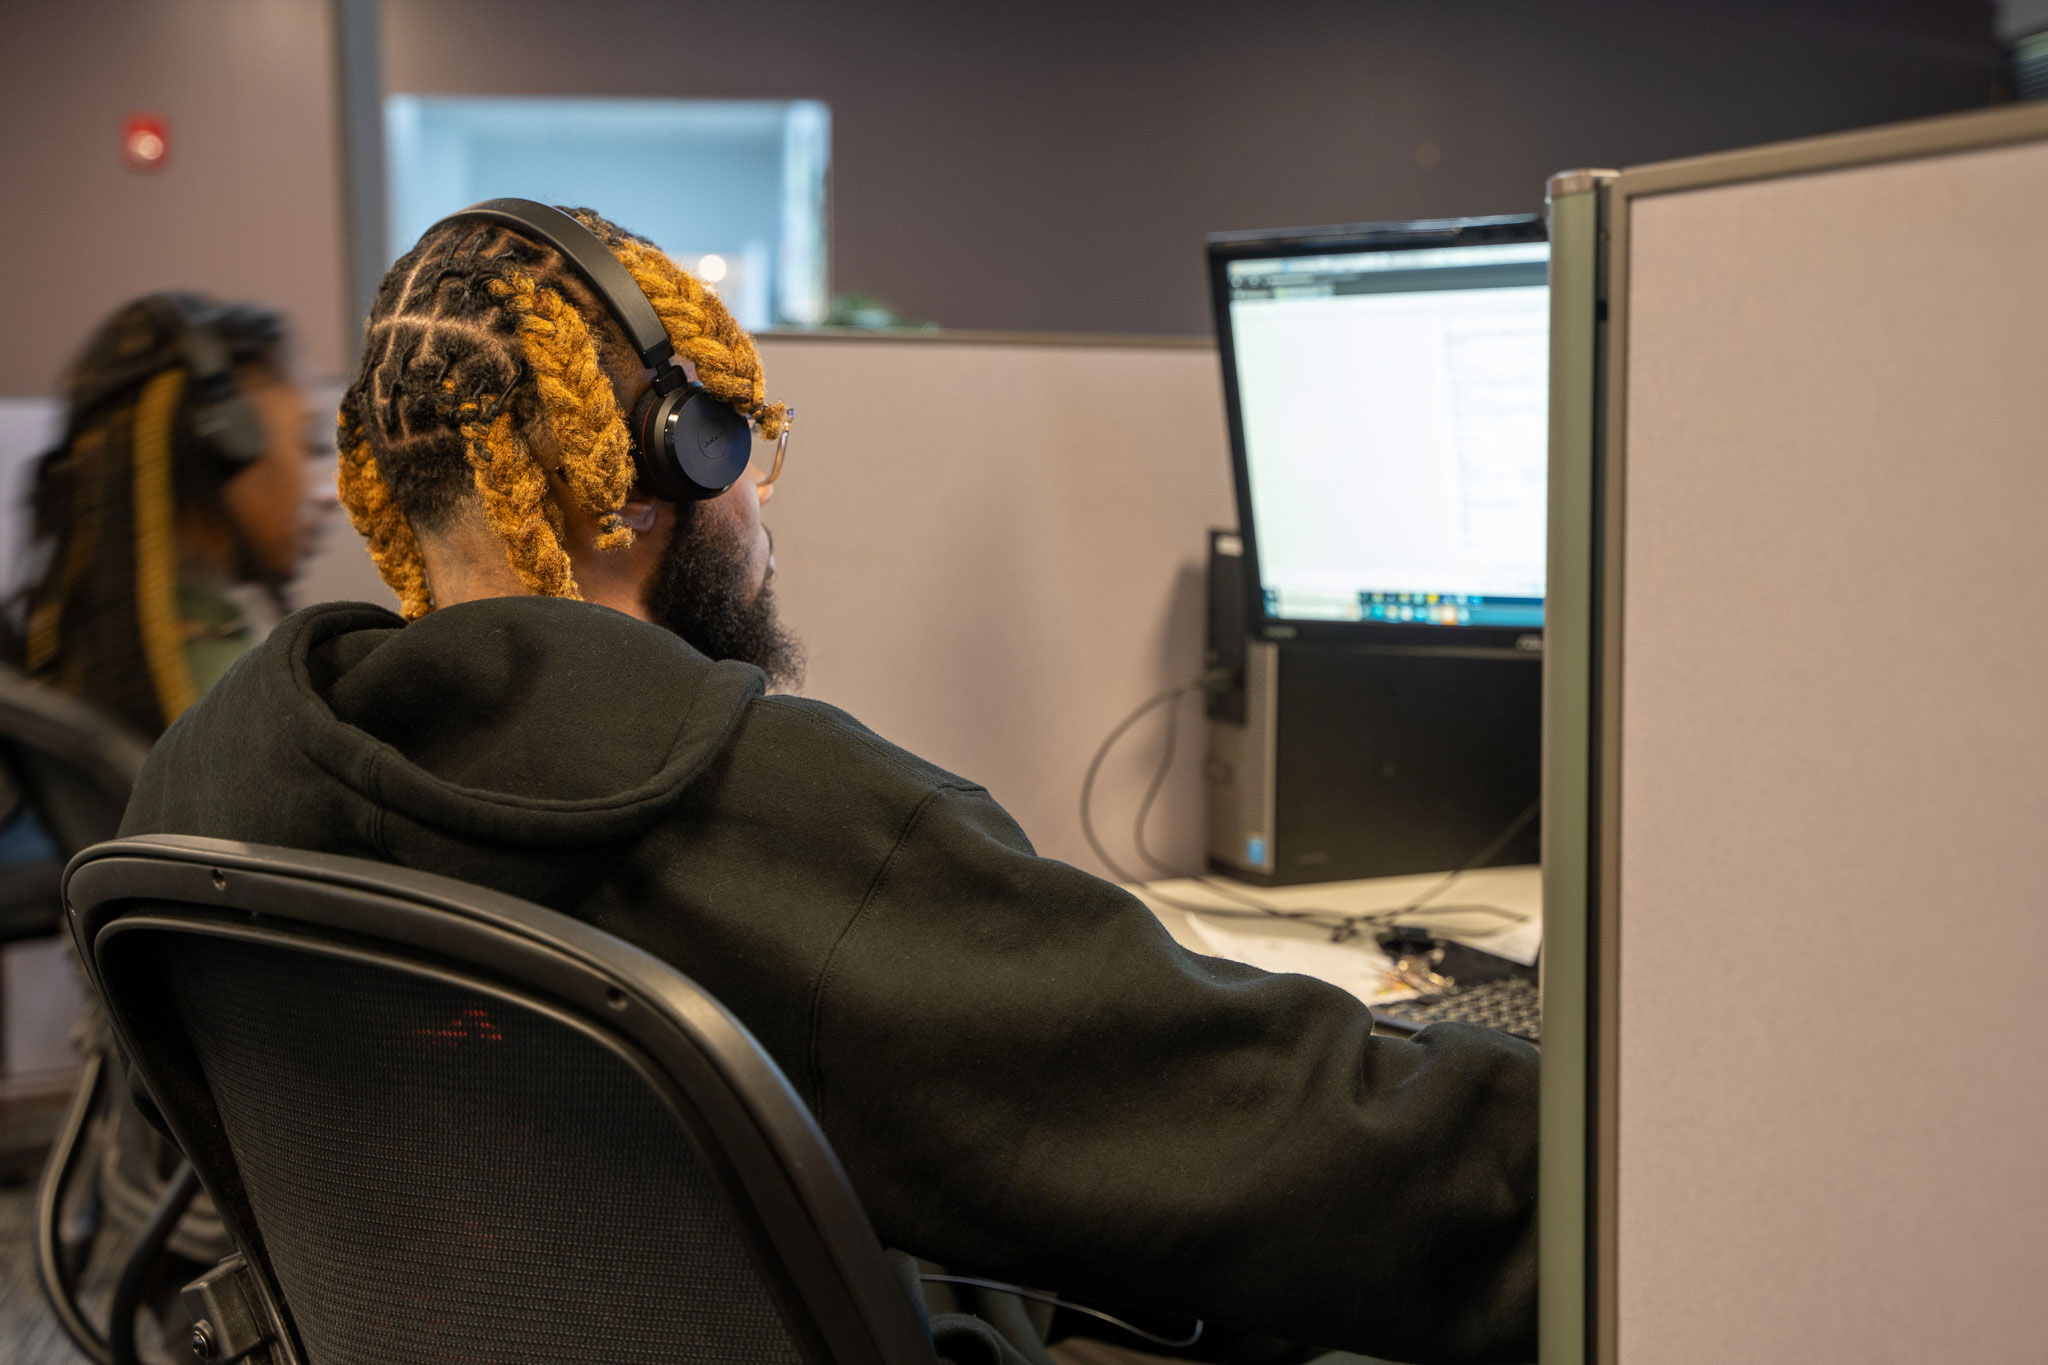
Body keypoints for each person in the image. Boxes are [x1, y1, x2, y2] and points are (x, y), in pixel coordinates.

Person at [120, 209, 1538, 1364]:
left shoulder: (210, 789)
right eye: (745, 441)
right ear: (655, 468)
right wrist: (1596, 1117)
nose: (761, 498)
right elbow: (1299, 1140)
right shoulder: (771, 821)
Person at [11, 292, 332, 738]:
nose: (328, 493)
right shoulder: (203, 706)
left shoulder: (74, 664)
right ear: (220, 449)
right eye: (308, 443)